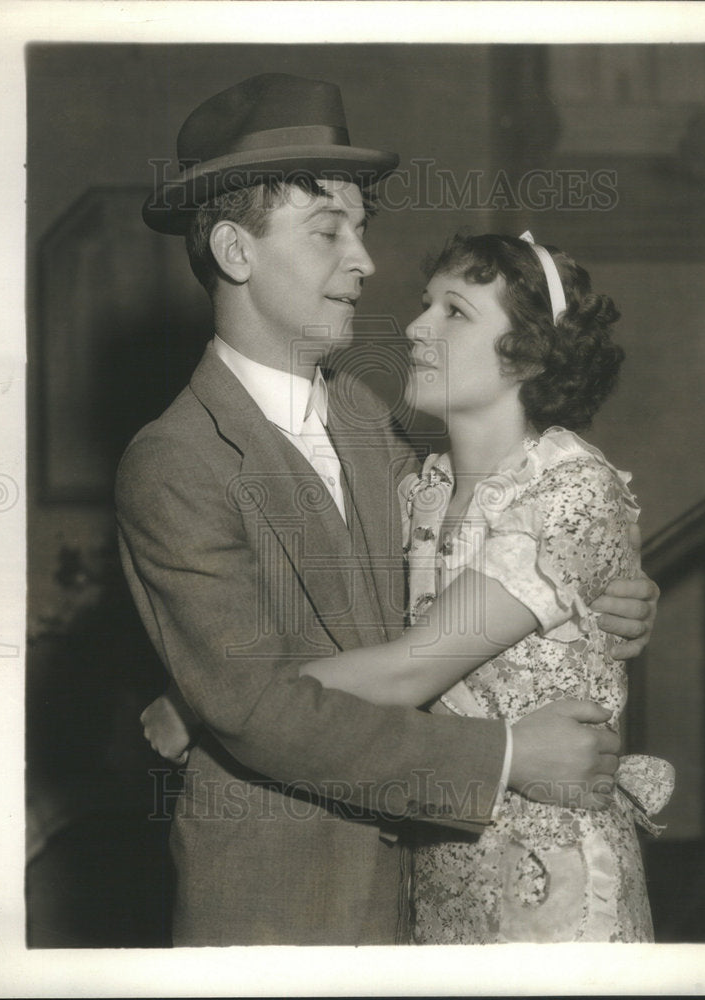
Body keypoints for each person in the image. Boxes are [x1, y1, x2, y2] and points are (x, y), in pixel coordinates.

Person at [118, 72, 659, 947]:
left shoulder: (375, 423)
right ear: (235, 251)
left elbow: (470, 564)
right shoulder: (174, 460)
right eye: (328, 232)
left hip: (427, 889)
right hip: (282, 905)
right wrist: (510, 758)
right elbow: (264, 713)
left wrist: (614, 588)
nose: (365, 262)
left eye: (361, 231)